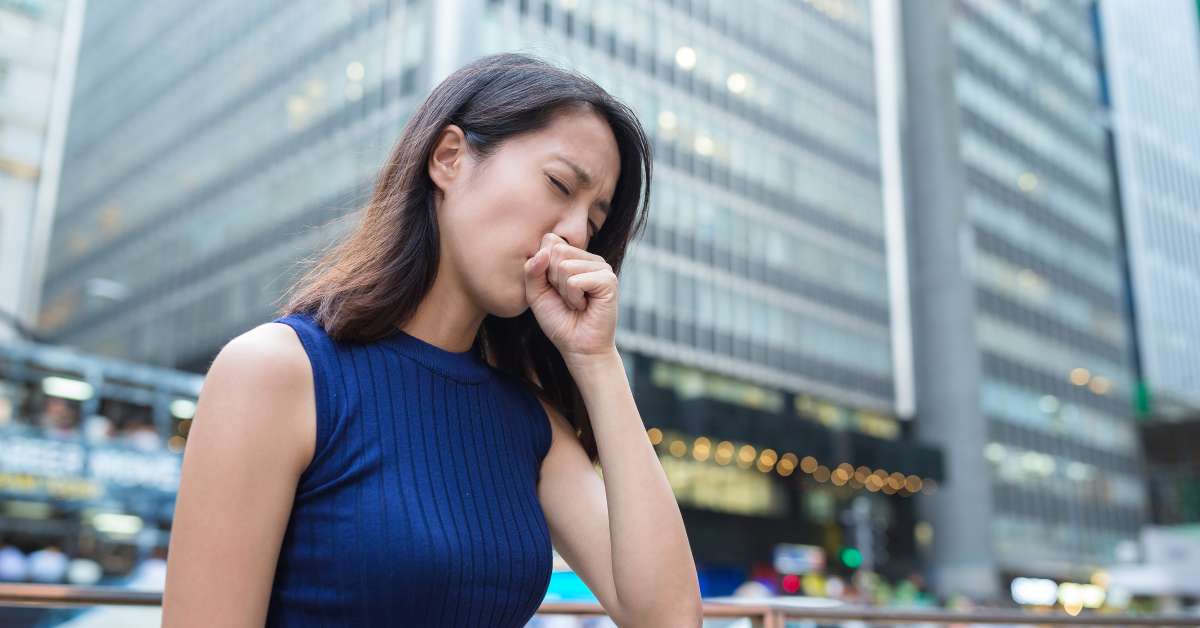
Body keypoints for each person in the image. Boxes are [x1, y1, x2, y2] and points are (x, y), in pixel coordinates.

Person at [162, 52, 703, 627]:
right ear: (449, 158)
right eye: (558, 185)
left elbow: (668, 619)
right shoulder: (277, 373)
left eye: (593, 222)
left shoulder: (530, 425)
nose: (573, 233)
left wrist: (596, 359)